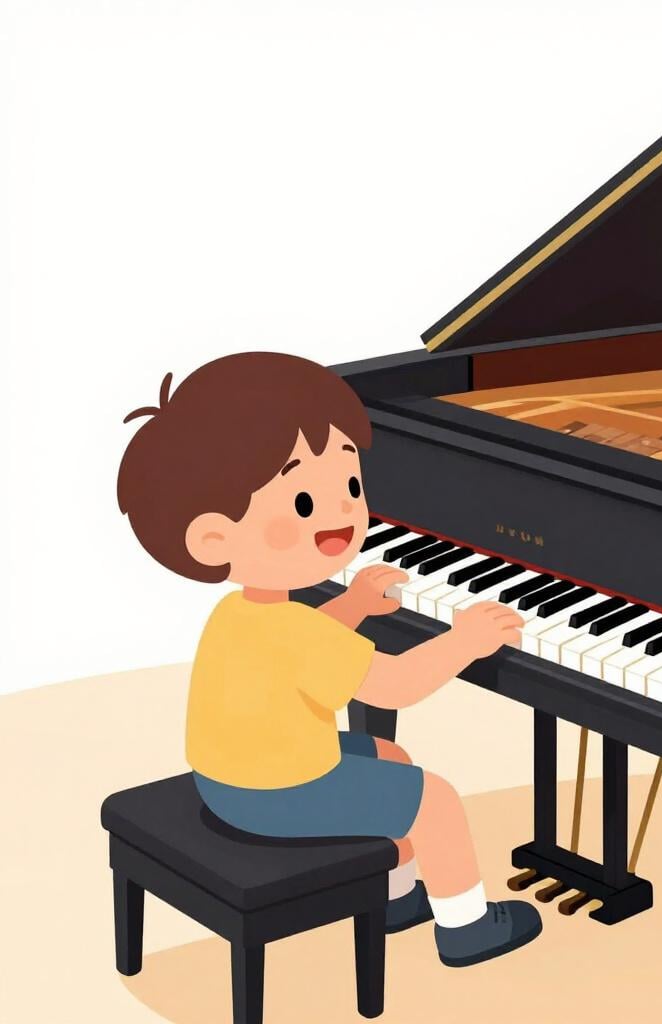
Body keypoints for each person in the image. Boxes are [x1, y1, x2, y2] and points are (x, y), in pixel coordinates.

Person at [116, 351, 541, 967]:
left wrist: (356, 604)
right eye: (303, 504)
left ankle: (394, 897)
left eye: (350, 487)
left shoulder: (244, 612)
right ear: (213, 539)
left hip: (232, 779)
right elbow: (393, 686)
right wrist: (465, 640)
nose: (342, 513)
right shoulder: (290, 628)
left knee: (392, 757)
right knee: (436, 800)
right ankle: (466, 927)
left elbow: (306, 658)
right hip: (275, 793)